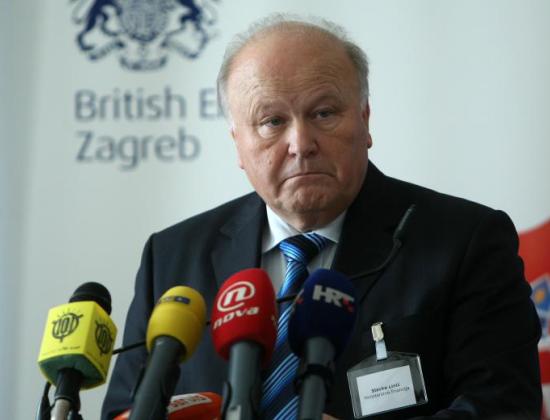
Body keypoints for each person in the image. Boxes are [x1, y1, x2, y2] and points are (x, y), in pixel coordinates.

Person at [102, 15, 541, 419]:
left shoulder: (465, 241)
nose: (301, 143)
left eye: (324, 113)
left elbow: (504, 407)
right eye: (272, 121)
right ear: (237, 143)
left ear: (365, 119)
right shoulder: (172, 257)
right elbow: (126, 410)